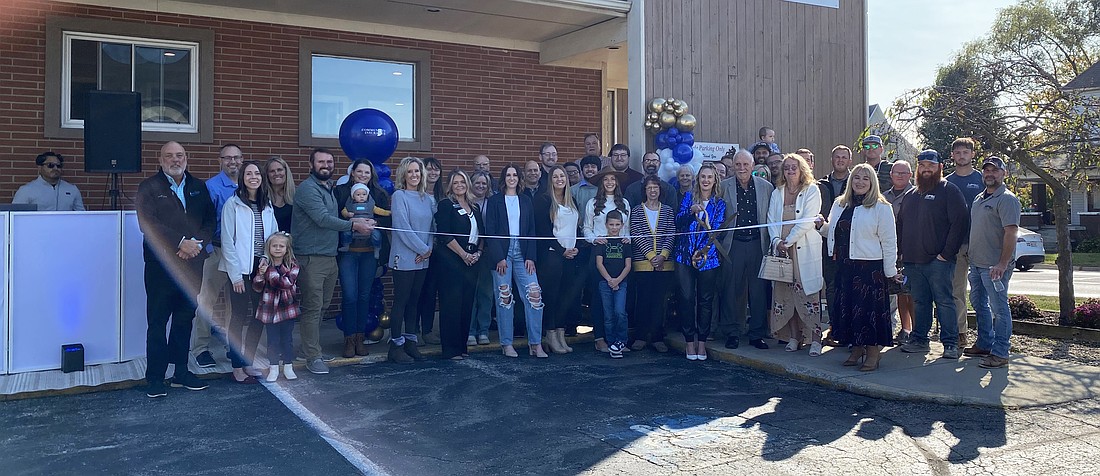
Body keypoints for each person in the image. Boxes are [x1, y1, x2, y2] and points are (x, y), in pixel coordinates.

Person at [136, 141, 216, 398]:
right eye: (169, 156)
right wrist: (181, 243)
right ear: (160, 160)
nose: (175, 160)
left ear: (186, 158)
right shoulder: (149, 187)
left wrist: (197, 244)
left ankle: (181, 372)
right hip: (161, 266)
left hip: (193, 265)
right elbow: (147, 222)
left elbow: (210, 220)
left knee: (184, 319)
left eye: (179, 155)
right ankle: (155, 378)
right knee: (158, 321)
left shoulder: (198, 186)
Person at [291, 147, 375, 374]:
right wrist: (354, 224)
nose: (325, 165)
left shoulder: (328, 188)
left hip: (329, 256)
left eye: (329, 162)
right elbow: (322, 218)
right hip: (311, 257)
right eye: (321, 162)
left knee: (322, 307)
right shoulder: (308, 189)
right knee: (312, 307)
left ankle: (310, 349)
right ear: (312, 165)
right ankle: (312, 356)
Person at [823, 163, 900, 372]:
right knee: (848, 310)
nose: (860, 182)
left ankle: (873, 352)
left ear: (872, 182)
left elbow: (889, 241)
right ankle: (856, 349)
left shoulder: (882, 207)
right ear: (850, 181)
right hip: (845, 267)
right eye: (856, 178)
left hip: (870, 270)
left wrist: (890, 271)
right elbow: (834, 231)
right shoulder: (840, 204)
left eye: (865, 178)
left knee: (868, 313)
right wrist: (821, 226)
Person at [897, 150, 969, 360]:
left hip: (938, 261)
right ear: (917, 168)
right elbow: (900, 225)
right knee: (920, 302)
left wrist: (946, 254)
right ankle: (920, 339)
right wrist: (902, 253)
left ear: (939, 167)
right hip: (912, 261)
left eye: (931, 165)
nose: (926, 169)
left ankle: (950, 343)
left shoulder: (949, 191)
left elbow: (960, 222)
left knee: (945, 301)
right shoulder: (910, 195)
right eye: (922, 165)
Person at [220, 161, 277, 383]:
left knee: (259, 317)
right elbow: (227, 241)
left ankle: (248, 361)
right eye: (249, 173)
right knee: (238, 316)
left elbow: (271, 237)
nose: (253, 177)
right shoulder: (232, 205)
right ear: (242, 178)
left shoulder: (267, 205)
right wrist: (235, 276)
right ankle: (236, 367)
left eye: (257, 173)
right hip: (240, 269)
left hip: (260, 268)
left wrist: (266, 261)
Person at [484, 164, 545, 358]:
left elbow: (531, 230)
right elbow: (490, 231)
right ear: (504, 179)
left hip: (523, 252)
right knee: (505, 298)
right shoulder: (494, 201)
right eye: (508, 175)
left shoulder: (526, 200)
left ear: (520, 179)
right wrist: (498, 258)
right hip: (502, 254)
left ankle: (535, 344)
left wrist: (531, 256)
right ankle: (507, 344)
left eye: (515, 175)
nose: (512, 178)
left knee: (534, 296)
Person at [965, 156, 1021, 369]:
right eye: (986, 170)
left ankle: (1000, 353)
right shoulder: (980, 198)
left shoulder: (1007, 199)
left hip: (995, 267)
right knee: (979, 305)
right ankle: (984, 344)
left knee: (999, 308)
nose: (990, 174)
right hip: (977, 264)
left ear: (1003, 173)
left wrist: (1002, 263)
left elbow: (1011, 233)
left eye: (994, 170)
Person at [767, 154, 824, 356]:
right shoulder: (778, 192)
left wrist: (788, 241)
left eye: (794, 167)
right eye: (787, 168)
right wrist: (776, 242)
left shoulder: (812, 190)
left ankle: (816, 339)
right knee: (785, 293)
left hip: (803, 249)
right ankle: (794, 336)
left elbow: (808, 221)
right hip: (781, 251)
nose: (791, 171)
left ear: (802, 170)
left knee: (808, 293)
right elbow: (771, 220)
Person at [192, 144, 242, 369]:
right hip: (218, 249)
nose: (233, 162)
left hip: (241, 254)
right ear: (220, 161)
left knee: (237, 303)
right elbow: (203, 221)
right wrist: (209, 250)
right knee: (206, 301)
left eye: (237, 158)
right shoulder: (211, 187)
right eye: (228, 158)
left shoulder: (249, 184)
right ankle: (201, 349)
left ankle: (233, 347)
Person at [717, 150, 774, 350]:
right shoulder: (723, 187)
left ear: (752, 166)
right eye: (738, 165)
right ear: (733, 166)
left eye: (745, 165)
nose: (742, 168)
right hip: (733, 245)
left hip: (758, 243)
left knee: (758, 291)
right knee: (731, 290)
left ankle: (757, 334)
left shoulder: (766, 187)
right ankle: (732, 332)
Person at [333, 160, 388, 358]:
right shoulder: (340, 192)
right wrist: (352, 222)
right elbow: (334, 216)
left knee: (364, 296)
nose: (363, 175)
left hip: (369, 253)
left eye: (367, 172)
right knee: (349, 296)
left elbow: (388, 218)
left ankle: (359, 338)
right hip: (348, 252)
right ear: (352, 173)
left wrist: (375, 222)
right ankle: (348, 339)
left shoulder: (379, 194)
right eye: (359, 171)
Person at [387, 156, 436, 363]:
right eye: (410, 172)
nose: (414, 175)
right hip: (405, 257)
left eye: (417, 171)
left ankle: (410, 341)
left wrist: (428, 250)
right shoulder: (399, 196)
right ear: (403, 175)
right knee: (401, 301)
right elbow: (402, 228)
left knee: (414, 302)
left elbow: (433, 228)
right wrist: (422, 249)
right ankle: (395, 345)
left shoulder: (428, 198)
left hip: (423, 258)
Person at [674, 163, 725, 361]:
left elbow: (717, 232)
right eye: (702, 177)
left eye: (709, 177)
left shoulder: (719, 204)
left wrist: (702, 252)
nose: (705, 180)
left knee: (705, 300)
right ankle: (689, 342)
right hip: (684, 257)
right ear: (698, 179)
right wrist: (689, 212)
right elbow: (678, 222)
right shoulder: (688, 198)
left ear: (714, 181)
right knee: (686, 299)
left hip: (708, 258)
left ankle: (701, 343)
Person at [435, 170, 485, 360]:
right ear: (450, 186)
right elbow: (444, 234)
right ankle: (450, 349)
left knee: (467, 304)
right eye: (455, 183)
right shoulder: (446, 205)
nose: (459, 186)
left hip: (473, 260)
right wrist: (463, 254)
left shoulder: (475, 207)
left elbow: (483, 234)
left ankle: (462, 346)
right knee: (451, 305)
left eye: (462, 182)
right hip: (452, 260)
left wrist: (478, 253)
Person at [534, 166, 582, 354]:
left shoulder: (572, 201)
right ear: (550, 180)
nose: (560, 179)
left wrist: (575, 247)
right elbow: (544, 232)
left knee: (565, 297)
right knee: (552, 297)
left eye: (562, 175)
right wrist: (562, 250)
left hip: (570, 256)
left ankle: (561, 336)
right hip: (552, 256)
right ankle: (551, 336)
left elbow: (575, 228)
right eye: (555, 176)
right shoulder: (544, 200)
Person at [583, 167, 632, 353]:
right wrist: (595, 238)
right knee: (599, 297)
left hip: (621, 253)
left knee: (619, 295)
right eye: (606, 179)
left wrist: (626, 238)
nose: (610, 182)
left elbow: (626, 228)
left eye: (613, 179)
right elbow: (586, 227)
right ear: (601, 183)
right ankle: (600, 338)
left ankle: (620, 339)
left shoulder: (624, 203)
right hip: (599, 251)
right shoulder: (593, 203)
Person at [628, 175, 676, 353]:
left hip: (664, 265)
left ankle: (657, 337)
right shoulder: (637, 211)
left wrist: (662, 256)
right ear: (645, 191)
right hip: (643, 263)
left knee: (659, 302)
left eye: (656, 187)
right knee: (642, 300)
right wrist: (651, 256)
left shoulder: (668, 211)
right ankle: (640, 336)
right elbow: (636, 232)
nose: (653, 190)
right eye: (649, 188)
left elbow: (671, 233)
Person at [946, 137, 985, 347]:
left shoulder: (981, 179)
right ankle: (961, 332)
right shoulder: (947, 182)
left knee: (982, 293)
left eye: (966, 152)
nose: (962, 156)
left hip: (980, 243)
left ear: (972, 154)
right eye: (958, 152)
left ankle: (985, 337)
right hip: (957, 244)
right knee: (956, 290)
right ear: (953, 156)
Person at [252, 232, 300, 382]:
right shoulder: (265, 265)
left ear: (287, 248)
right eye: (274, 246)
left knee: (287, 339)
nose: (278, 249)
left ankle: (288, 366)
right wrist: (260, 276)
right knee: (272, 341)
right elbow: (257, 287)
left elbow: (284, 283)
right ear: (269, 248)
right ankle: (273, 367)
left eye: (281, 246)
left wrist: (268, 272)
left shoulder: (293, 265)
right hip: (270, 311)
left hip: (287, 309)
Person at [816, 145, 852, 345]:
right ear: (832, 160)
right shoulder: (821, 184)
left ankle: (848, 328)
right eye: (837, 157)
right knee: (831, 287)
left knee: (847, 287)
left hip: (850, 244)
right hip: (826, 242)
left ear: (849, 160)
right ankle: (834, 328)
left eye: (844, 157)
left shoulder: (856, 182)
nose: (840, 160)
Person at [884, 161, 916, 344]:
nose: (900, 176)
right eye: (897, 173)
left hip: (909, 250)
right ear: (891, 174)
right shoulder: (884, 197)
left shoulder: (916, 195)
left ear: (910, 175)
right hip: (890, 250)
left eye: (904, 173)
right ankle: (904, 329)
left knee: (910, 293)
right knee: (897, 293)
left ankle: (916, 332)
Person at [596, 210, 632, 359]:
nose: (614, 228)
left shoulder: (625, 243)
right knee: (608, 314)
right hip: (605, 283)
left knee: (620, 312)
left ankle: (621, 341)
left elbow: (628, 266)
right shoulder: (602, 242)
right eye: (611, 224)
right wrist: (610, 280)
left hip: (621, 283)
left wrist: (617, 280)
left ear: (622, 225)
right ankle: (612, 343)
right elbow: (599, 264)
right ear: (606, 225)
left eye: (617, 225)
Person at [417, 157, 445, 344]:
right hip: (420, 248)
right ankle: (413, 330)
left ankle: (428, 330)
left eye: (436, 170)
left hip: (441, 250)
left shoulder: (443, 195)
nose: (433, 173)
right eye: (429, 169)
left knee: (433, 289)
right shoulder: (417, 195)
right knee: (420, 291)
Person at [468, 170, 496, 345]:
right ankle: (470, 331)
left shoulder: (492, 203)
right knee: (471, 293)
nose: (480, 186)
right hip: (469, 254)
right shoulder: (466, 203)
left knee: (486, 293)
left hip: (487, 254)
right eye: (477, 183)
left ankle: (483, 330)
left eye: (484, 183)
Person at [12, 151, 85, 211]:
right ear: (40, 168)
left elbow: (82, 215)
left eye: (58, 166)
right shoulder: (26, 190)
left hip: (65, 228)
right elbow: (16, 216)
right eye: (50, 165)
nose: (55, 168)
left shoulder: (72, 189)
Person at [264, 156, 295, 232]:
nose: (276, 173)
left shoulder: (296, 196)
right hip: (267, 242)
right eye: (272, 171)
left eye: (279, 170)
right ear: (267, 175)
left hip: (291, 242)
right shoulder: (262, 197)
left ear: (286, 172)